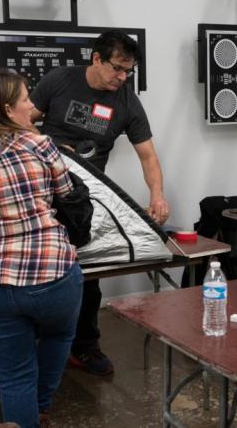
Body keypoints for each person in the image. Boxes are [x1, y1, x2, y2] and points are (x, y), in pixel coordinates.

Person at [30, 29, 169, 376]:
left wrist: (157, 195)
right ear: (96, 58)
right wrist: (51, 145)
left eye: (128, 71)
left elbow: (148, 155)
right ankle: (30, 350)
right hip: (39, 193)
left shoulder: (126, 101)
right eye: (117, 69)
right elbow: (19, 122)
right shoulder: (59, 80)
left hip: (84, 200)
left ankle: (84, 347)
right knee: (35, 277)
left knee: (89, 274)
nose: (122, 78)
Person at [0, 68, 83, 428]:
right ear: (7, 109)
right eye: (25, 99)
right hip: (50, 274)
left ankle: (28, 417)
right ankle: (41, 406)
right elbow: (70, 197)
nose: (32, 105)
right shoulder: (38, 144)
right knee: (61, 333)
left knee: (13, 374)